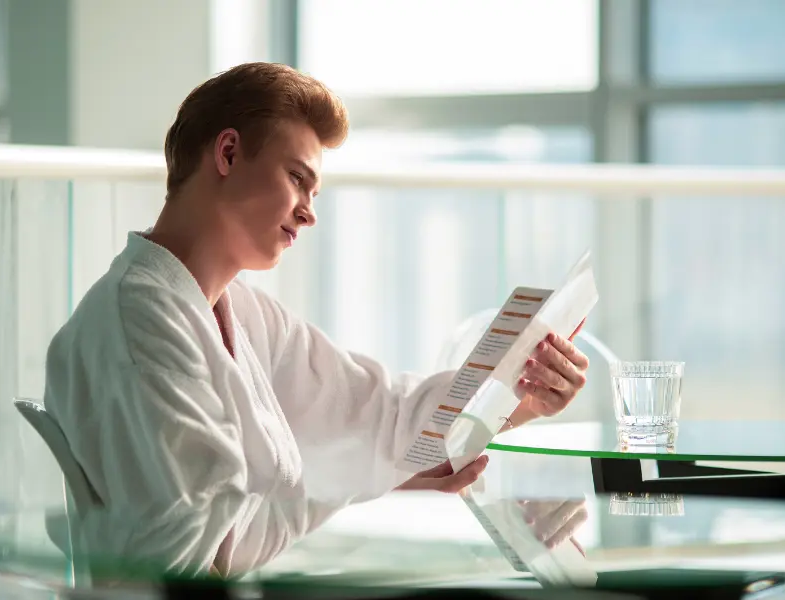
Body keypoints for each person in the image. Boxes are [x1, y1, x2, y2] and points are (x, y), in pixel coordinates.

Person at [43, 62, 589, 577]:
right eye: (297, 178)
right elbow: (184, 548)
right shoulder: (142, 321)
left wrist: (517, 393)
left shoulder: (238, 312)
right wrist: (362, 483)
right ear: (228, 153)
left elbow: (378, 410)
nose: (309, 211)